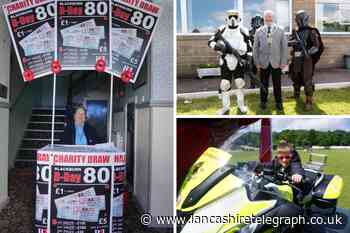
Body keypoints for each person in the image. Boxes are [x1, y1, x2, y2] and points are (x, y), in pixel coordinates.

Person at [252, 141, 304, 233]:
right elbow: (264, 165)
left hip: (294, 190)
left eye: (287, 157)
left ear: (291, 155)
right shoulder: (276, 161)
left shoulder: (294, 161)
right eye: (281, 157)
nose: (284, 160)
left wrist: (297, 174)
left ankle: (296, 226)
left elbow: (296, 167)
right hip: (279, 189)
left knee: (295, 210)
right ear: (278, 156)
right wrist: (251, 166)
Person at [208, 9, 252, 114]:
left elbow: (250, 47)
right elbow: (210, 42)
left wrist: (248, 61)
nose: (233, 19)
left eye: (235, 17)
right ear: (226, 19)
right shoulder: (222, 29)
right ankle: (225, 107)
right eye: (230, 17)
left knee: (240, 83)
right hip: (225, 60)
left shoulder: (244, 30)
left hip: (239, 60)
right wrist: (218, 47)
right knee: (224, 84)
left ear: (239, 18)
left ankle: (241, 105)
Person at [253, 10, 288, 111]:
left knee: (277, 84)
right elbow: (255, 48)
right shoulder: (259, 31)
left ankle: (279, 103)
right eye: (266, 17)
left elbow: (284, 48)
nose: (268, 19)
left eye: (270, 17)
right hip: (263, 63)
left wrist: (283, 63)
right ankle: (263, 102)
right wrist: (257, 62)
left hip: (276, 63)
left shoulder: (280, 30)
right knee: (263, 84)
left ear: (273, 18)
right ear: (264, 19)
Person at [288, 10, 324, 111]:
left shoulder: (312, 31)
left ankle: (309, 101)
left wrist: (308, 52)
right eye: (297, 20)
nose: (297, 21)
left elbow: (317, 46)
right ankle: (296, 94)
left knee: (307, 79)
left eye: (298, 19)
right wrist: (292, 42)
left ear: (303, 19)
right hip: (296, 58)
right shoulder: (296, 31)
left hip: (307, 59)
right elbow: (290, 42)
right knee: (295, 76)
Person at [249, 15, 264, 89]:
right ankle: (252, 85)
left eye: (259, 21)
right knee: (252, 70)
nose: (257, 23)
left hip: (262, 54)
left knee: (263, 70)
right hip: (252, 54)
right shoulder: (250, 32)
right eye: (255, 21)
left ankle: (262, 84)